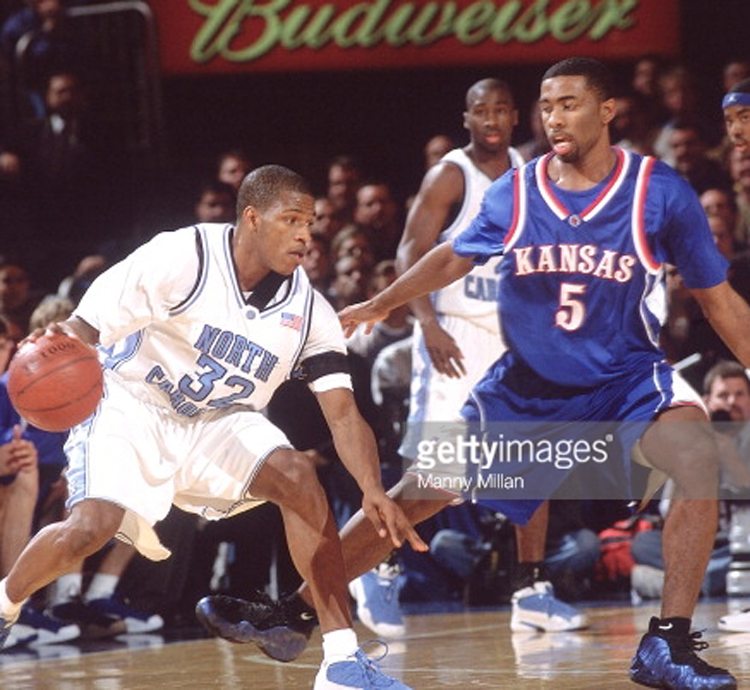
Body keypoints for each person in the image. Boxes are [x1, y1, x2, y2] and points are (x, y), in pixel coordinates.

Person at [331, 57, 744, 688]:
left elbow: (718, 301)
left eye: (569, 104)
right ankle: (301, 604)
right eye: (546, 106)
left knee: (696, 453)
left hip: (622, 376)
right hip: (528, 377)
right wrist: (387, 304)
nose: (552, 117)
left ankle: (665, 641)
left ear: (608, 111)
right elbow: (446, 255)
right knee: (425, 488)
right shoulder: (512, 189)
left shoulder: (656, 189)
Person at [195, 77, 585, 656]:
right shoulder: (453, 174)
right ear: (468, 117)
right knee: (425, 479)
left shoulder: (531, 173)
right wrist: (422, 321)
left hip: (512, 340)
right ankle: (367, 578)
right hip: (455, 334)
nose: (495, 119)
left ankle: (529, 588)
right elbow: (415, 251)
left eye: (505, 108)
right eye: (484, 110)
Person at [0, 165, 423, 690]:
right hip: (134, 404)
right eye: (290, 220)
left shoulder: (309, 312)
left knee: (296, 476)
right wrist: (53, 348)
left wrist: (371, 487)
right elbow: (84, 329)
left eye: (309, 224)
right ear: (251, 219)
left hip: (219, 421)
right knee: (90, 529)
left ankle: (341, 663)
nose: (304, 235)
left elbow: (341, 411)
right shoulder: (182, 255)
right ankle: (6, 602)